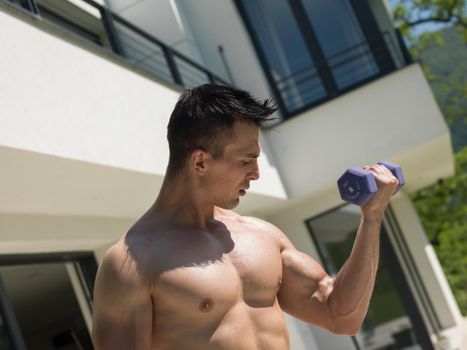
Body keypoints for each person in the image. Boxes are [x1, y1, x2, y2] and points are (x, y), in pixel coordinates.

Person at [91, 84, 399, 350]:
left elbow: (340, 315)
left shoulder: (261, 236)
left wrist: (371, 218)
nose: (256, 173)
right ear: (200, 162)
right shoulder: (134, 263)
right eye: (245, 161)